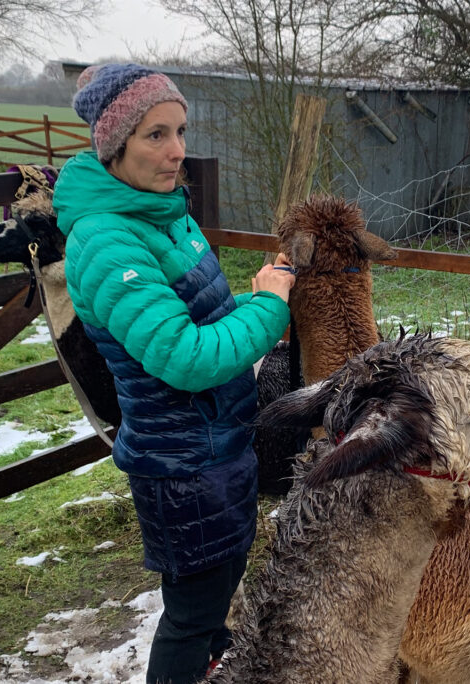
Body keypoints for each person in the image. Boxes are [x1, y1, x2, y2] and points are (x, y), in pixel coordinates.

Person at [52, 63, 295, 684]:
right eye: (155, 135)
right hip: (184, 464)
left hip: (217, 449)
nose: (176, 151)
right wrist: (270, 306)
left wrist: (253, 304)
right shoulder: (108, 239)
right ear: (113, 146)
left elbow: (206, 317)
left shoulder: (164, 215)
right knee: (189, 617)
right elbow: (186, 358)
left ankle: (212, 655)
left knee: (212, 596)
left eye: (180, 130)